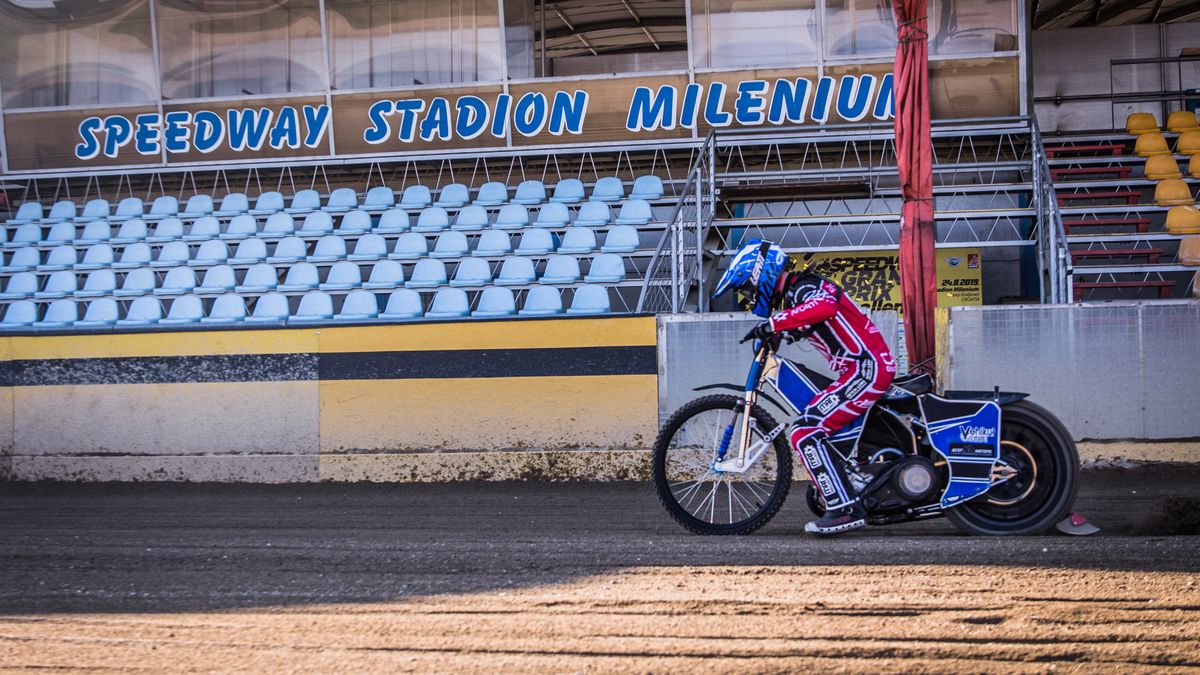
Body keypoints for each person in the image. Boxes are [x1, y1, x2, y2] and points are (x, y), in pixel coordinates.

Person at [712, 240, 896, 535]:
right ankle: (853, 480)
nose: (748, 296)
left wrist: (773, 323)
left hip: (865, 369)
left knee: (805, 430)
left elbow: (824, 306)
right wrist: (775, 330)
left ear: (762, 273)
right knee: (819, 420)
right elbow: (804, 320)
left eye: (747, 287)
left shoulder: (806, 287)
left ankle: (843, 508)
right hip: (861, 369)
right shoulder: (797, 296)